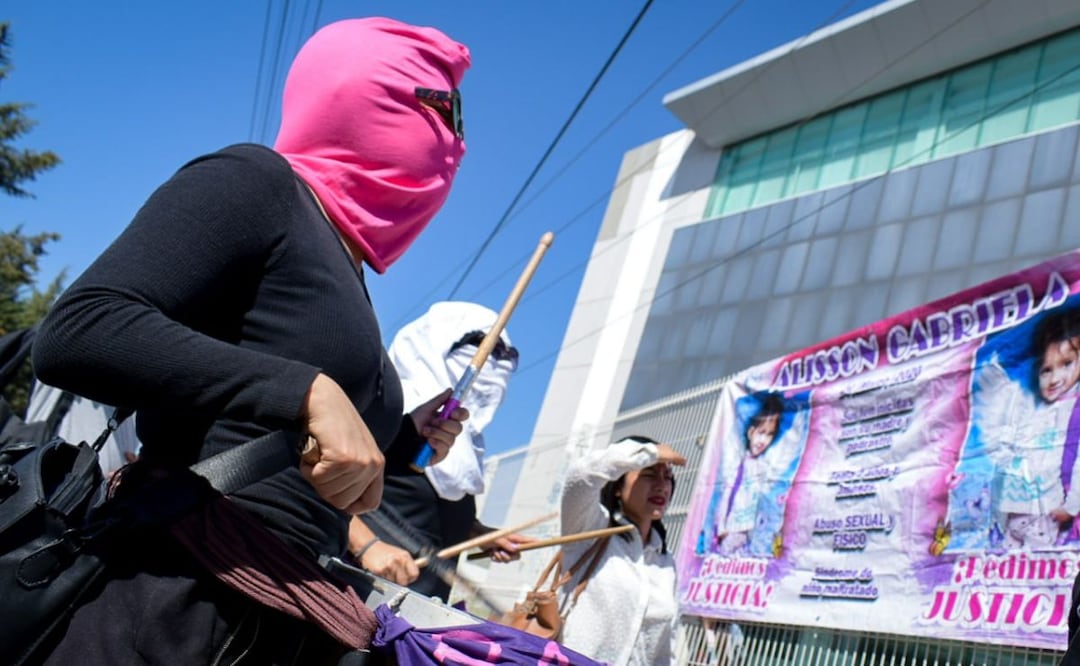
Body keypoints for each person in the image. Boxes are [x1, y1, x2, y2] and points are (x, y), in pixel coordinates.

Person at [30, 17, 472, 664]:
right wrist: (306, 391)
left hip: (279, 618)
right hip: (169, 604)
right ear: (355, 91)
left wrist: (407, 436)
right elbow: (79, 328)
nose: (456, 141)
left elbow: (289, 448)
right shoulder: (259, 183)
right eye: (442, 108)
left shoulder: (348, 274)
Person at [348, 301, 534, 601]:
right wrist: (366, 544)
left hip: (412, 621)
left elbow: (415, 510)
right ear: (436, 340)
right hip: (351, 599)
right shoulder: (382, 407)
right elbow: (308, 479)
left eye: (507, 355)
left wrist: (479, 534)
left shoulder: (464, 449)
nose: (498, 363)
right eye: (486, 346)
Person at [557, 435, 686, 666]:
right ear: (617, 487)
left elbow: (667, 648)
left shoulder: (666, 563)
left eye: (667, 477)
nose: (661, 485)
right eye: (648, 474)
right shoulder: (590, 529)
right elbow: (581, 476)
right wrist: (651, 453)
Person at [979, 307, 1080, 549]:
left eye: (1066, 364)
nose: (1055, 378)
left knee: (1038, 565)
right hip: (1012, 513)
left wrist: (1071, 506)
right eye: (1046, 370)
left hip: (1047, 514)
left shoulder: (1073, 409)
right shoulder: (1034, 406)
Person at [714, 393, 799, 556]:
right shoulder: (739, 463)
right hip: (734, 530)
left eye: (769, 434)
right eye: (761, 432)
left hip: (756, 532)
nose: (763, 440)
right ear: (751, 432)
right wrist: (722, 526)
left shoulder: (765, 464)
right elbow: (727, 493)